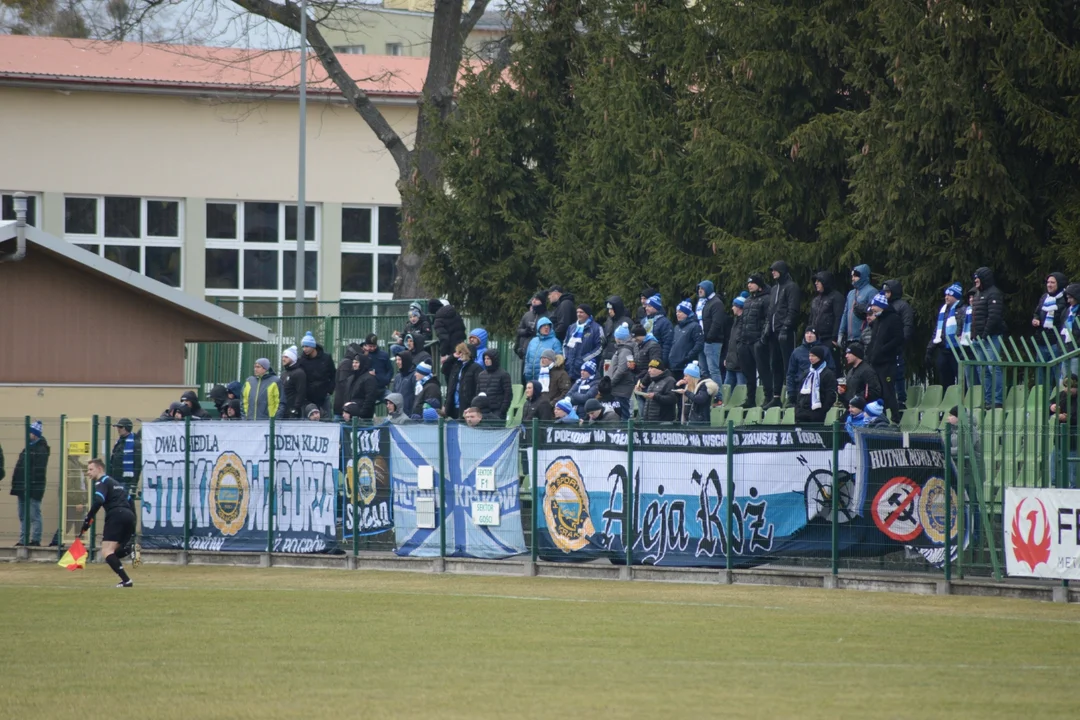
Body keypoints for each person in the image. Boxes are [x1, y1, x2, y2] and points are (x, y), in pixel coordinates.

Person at [79, 458, 138, 586]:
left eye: (90, 469)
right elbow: (130, 501)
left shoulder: (102, 482)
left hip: (116, 515)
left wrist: (88, 518)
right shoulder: (116, 483)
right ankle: (128, 549)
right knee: (114, 550)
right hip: (129, 515)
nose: (88, 472)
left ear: (99, 469)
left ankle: (127, 581)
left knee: (106, 551)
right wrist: (133, 524)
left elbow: (99, 501)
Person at [763, 260, 801, 410]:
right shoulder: (774, 289)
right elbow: (771, 311)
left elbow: (793, 310)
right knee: (775, 365)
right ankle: (776, 396)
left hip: (785, 332)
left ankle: (792, 396)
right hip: (773, 332)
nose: (772, 272)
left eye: (775, 270)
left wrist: (786, 327)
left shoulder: (792, 287)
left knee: (789, 365)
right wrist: (767, 328)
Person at [972, 267, 1007, 408]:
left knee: (993, 368)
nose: (975, 280)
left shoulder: (994, 294)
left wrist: (985, 334)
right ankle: (987, 400)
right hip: (979, 338)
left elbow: (994, 317)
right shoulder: (977, 294)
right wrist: (975, 335)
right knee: (983, 370)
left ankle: (997, 400)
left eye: (977, 278)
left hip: (991, 337)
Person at [11, 420, 49, 546]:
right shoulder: (28, 448)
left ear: (35, 434)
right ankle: (23, 540)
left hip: (32, 488)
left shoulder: (41, 449)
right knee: (23, 515)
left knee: (34, 515)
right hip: (22, 487)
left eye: (30, 432)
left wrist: (29, 484)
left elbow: (37, 471)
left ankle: (35, 540)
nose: (28, 435)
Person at [866, 293, 903, 423]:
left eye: (874, 306)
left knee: (888, 392)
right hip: (875, 363)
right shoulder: (877, 321)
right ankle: (880, 419)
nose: (872, 309)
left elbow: (898, 338)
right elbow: (873, 341)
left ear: (881, 306)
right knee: (877, 392)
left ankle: (895, 419)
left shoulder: (894, 319)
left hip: (887, 363)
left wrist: (883, 350)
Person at [1033, 271, 1070, 386]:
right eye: (1048, 282)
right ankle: (1041, 400)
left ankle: (1056, 401)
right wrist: (1036, 319)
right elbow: (1037, 312)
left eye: (1052, 282)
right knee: (1041, 376)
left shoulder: (1065, 299)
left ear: (1059, 284)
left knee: (1057, 374)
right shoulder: (1044, 297)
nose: (1049, 285)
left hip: (1056, 342)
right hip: (1042, 341)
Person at [740, 274, 771, 408]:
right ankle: (750, 399)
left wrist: (762, 339)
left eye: (752, 283)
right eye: (748, 283)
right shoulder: (747, 301)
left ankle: (768, 397)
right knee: (748, 374)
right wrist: (739, 340)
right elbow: (742, 321)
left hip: (758, 342)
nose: (749, 285)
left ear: (759, 285)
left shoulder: (766, 299)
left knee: (764, 372)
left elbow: (768, 320)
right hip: (745, 341)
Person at [882, 279, 915, 408]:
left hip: (897, 346)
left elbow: (907, 325)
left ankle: (901, 400)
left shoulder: (903, 306)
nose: (885, 294)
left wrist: (900, 342)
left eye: (888, 291)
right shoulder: (884, 305)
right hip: (886, 346)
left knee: (898, 373)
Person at [926, 283, 963, 388]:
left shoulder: (963, 310)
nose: (946, 297)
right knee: (944, 379)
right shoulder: (943, 311)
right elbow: (937, 332)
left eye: (949, 295)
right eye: (946, 295)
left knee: (961, 378)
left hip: (957, 349)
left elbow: (963, 329)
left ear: (956, 296)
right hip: (943, 349)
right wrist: (930, 349)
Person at [786, 327, 835, 405]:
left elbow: (831, 370)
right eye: (807, 333)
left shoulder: (825, 350)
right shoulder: (797, 352)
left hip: (820, 391)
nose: (809, 335)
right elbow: (791, 373)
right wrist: (791, 392)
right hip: (801, 390)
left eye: (812, 333)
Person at [794, 345, 837, 424]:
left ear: (819, 357)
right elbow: (799, 392)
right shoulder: (806, 372)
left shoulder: (828, 374)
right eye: (809, 355)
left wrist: (821, 412)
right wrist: (797, 409)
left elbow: (830, 395)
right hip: (801, 414)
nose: (810, 358)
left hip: (816, 415)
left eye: (813, 356)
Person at [808, 271, 846, 361]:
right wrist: (809, 333)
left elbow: (839, 317)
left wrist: (835, 337)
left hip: (829, 339)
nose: (816, 283)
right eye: (815, 281)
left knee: (832, 365)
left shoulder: (836, 297)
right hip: (816, 338)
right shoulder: (816, 299)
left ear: (825, 282)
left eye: (818, 281)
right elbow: (811, 318)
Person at [297, 331, 336, 417]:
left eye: (306, 346)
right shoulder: (301, 360)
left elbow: (333, 374)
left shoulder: (326, 358)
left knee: (326, 422)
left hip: (323, 396)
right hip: (308, 398)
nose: (304, 349)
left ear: (313, 346)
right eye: (303, 346)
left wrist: (330, 390)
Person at [839, 264, 878, 348]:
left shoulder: (872, 291)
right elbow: (845, 314)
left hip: (864, 337)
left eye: (856, 276)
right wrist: (841, 332)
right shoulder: (851, 293)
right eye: (852, 276)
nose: (853, 278)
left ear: (863, 276)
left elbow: (874, 313)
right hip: (850, 338)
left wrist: (869, 332)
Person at [430, 298, 467, 383]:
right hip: (461, 348)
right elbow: (463, 329)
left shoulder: (438, 320)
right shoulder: (456, 314)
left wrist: (443, 354)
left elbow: (444, 338)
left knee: (449, 377)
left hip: (450, 352)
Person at [697, 280, 727, 385]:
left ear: (708, 289)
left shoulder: (716, 303)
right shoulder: (704, 303)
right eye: (699, 288)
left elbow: (717, 323)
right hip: (703, 341)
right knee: (704, 371)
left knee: (713, 370)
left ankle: (718, 396)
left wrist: (709, 338)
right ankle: (706, 395)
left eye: (702, 288)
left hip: (712, 342)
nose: (700, 291)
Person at [563, 304, 604, 378]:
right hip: (570, 368)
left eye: (581, 312)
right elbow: (565, 344)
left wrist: (585, 359)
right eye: (577, 312)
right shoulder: (571, 327)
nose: (578, 314)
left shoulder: (596, 328)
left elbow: (600, 347)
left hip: (586, 369)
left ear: (587, 314)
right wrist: (566, 358)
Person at [670, 299, 704, 381]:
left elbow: (699, 344)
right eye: (677, 312)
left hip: (686, 365)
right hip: (674, 364)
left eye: (680, 312)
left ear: (687, 313)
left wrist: (688, 357)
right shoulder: (677, 327)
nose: (677, 314)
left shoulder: (695, 326)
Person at [606, 324, 636, 417]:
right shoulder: (621, 349)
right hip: (619, 387)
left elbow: (622, 369)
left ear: (618, 338)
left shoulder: (625, 350)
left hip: (621, 388)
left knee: (623, 414)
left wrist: (611, 383)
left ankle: (625, 431)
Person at [447, 342, 482, 419]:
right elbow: (444, 369)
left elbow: (478, 387)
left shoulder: (476, 368)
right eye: (459, 352)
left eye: (462, 352)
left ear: (469, 353)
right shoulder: (457, 366)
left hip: (467, 405)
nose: (460, 354)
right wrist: (452, 356)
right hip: (453, 404)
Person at [524, 316, 562, 385]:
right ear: (539, 327)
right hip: (530, 378)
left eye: (548, 326)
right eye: (544, 325)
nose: (546, 327)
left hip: (546, 379)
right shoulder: (533, 341)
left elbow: (558, 361)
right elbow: (527, 358)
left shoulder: (555, 342)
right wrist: (526, 371)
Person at [476, 348, 513, 419]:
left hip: (498, 411)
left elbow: (508, 394)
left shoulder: (504, 374)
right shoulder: (481, 375)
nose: (486, 361)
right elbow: (477, 392)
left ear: (494, 359)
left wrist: (502, 411)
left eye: (488, 359)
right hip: (483, 411)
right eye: (485, 359)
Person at [108, 418, 141, 497]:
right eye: (118, 427)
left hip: (126, 481)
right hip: (115, 479)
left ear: (127, 428)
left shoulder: (135, 443)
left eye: (120, 427)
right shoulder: (119, 442)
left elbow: (137, 466)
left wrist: (133, 484)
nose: (118, 429)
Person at [843, 342, 881, 406]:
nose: (846, 356)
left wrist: (857, 398)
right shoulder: (850, 371)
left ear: (856, 354)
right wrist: (842, 393)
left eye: (849, 353)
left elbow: (875, 391)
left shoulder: (867, 371)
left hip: (864, 410)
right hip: (852, 409)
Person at [334, 343, 367, 416]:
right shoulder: (347, 363)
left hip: (342, 403)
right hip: (343, 405)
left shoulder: (345, 362)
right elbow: (344, 384)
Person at [723, 293, 747, 387]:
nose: (732, 308)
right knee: (727, 388)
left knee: (741, 388)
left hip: (740, 364)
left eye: (734, 306)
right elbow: (732, 343)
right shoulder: (735, 321)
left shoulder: (744, 323)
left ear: (739, 307)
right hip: (731, 363)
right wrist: (727, 358)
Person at [345, 353, 379, 420]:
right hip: (352, 415)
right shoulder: (353, 377)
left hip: (363, 417)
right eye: (353, 362)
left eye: (357, 362)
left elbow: (370, 398)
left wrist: (362, 414)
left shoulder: (369, 378)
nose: (354, 364)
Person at [516, 292, 548, 360]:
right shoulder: (527, 315)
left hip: (541, 352)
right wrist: (526, 331)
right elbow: (519, 330)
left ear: (542, 301)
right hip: (526, 351)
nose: (533, 301)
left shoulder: (548, 316)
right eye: (533, 299)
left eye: (536, 299)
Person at [278, 346, 308, 419]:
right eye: (283, 357)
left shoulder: (299, 373)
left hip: (292, 413)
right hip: (283, 410)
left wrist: (295, 409)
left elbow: (301, 392)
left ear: (293, 358)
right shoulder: (284, 374)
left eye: (286, 357)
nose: (283, 359)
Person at [643, 295, 673, 366]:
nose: (646, 308)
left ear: (656, 308)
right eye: (646, 306)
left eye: (649, 306)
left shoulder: (664, 323)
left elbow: (667, 343)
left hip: (657, 357)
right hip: (644, 357)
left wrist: (663, 361)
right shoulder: (644, 321)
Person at [602, 295, 632, 362]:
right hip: (606, 356)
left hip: (620, 357)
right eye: (608, 309)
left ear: (617, 308)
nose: (609, 311)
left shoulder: (627, 322)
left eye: (612, 309)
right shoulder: (609, 321)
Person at [392, 350, 416, 417]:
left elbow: (417, 396)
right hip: (397, 415)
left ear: (406, 360)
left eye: (399, 360)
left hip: (409, 415)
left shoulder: (414, 376)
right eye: (396, 360)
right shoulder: (397, 376)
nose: (397, 362)